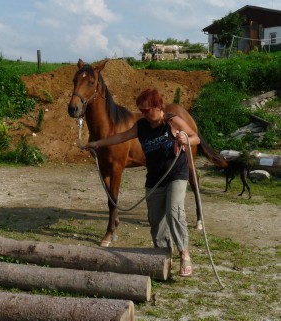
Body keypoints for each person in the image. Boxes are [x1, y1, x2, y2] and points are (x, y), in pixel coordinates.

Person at [83, 88, 200, 277]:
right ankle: (163, 255)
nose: (143, 114)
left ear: (157, 106)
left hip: (175, 173)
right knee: (155, 219)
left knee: (174, 211)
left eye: (146, 110)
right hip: (155, 177)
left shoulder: (172, 121)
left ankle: (184, 254)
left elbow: (196, 138)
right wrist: (98, 144)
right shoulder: (142, 125)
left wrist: (185, 138)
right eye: (141, 110)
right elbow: (121, 137)